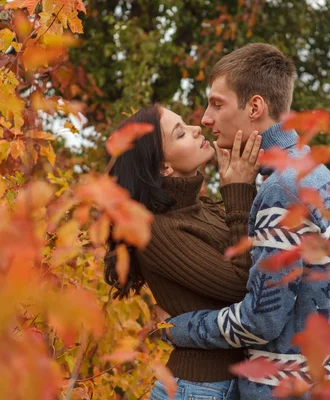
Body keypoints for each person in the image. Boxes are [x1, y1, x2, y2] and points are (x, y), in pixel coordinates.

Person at [162, 43, 330, 399]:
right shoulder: (314, 171)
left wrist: (175, 327)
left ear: (254, 107)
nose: (205, 118)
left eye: (217, 104)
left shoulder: (281, 191)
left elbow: (261, 320)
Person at [104, 104, 264, 399]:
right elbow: (245, 285)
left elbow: (258, 253)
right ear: (163, 167)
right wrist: (238, 189)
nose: (196, 129)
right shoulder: (158, 231)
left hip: (225, 386)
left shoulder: (202, 209)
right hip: (199, 389)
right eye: (180, 133)